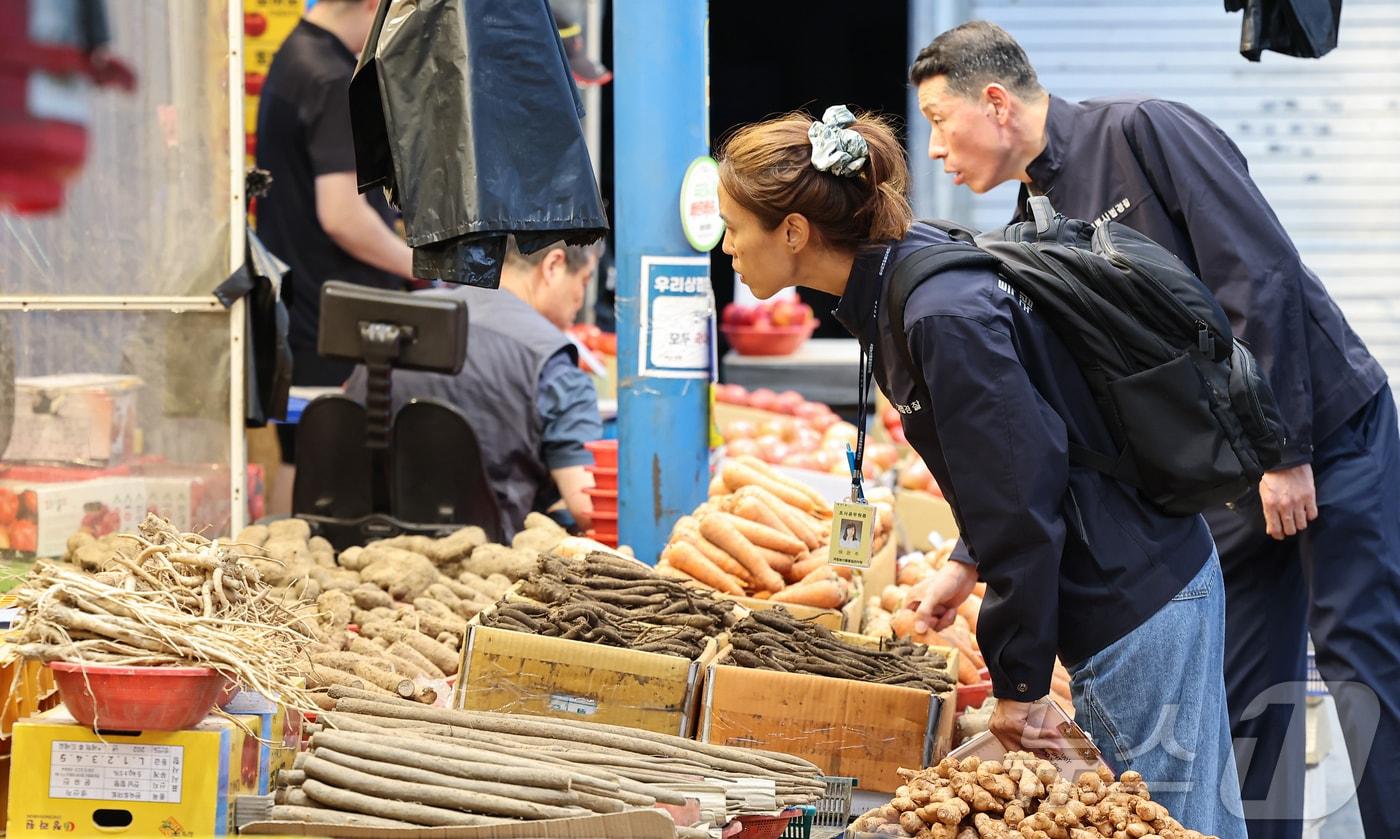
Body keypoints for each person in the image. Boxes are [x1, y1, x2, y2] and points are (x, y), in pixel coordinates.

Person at [907, 22, 1399, 839]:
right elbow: (1054, 410)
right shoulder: (1033, 227)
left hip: (1323, 431)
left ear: (993, 102)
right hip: (1218, 476)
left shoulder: (1143, 129)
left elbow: (1259, 271)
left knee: (1363, 661)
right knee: (1243, 689)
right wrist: (970, 555)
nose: (934, 150)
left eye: (935, 118)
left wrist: (1287, 451)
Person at [716, 106, 1246, 838]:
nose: (727, 246)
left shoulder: (941, 312)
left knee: (1174, 825)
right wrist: (966, 562)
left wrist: (1021, 683)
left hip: (1132, 600)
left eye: (733, 224)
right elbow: (1022, 444)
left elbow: (1021, 500)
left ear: (795, 232)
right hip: (1136, 578)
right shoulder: (909, 273)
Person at [344, 238, 602, 538]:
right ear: (553, 265)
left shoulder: (391, 327)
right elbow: (587, 508)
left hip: (362, 554)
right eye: (584, 281)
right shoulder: (552, 363)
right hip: (491, 566)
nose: (581, 300)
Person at [254, 0, 415, 388]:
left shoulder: (294, 54)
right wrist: (421, 268)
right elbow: (343, 217)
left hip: (301, 322)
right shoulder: (330, 78)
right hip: (335, 330)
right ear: (374, 4)